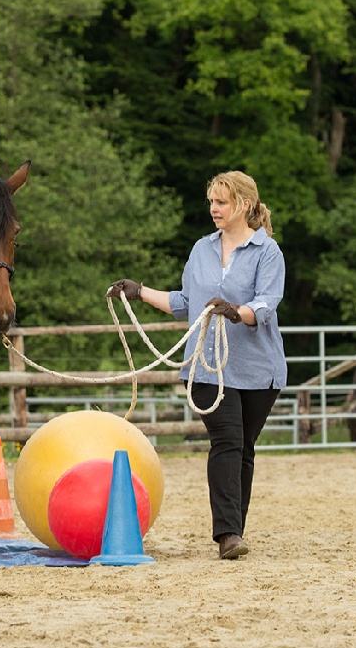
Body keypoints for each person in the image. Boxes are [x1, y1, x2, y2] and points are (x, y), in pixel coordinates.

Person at [107, 171, 287, 560]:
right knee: (227, 440)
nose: (213, 210)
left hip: (257, 368)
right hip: (208, 365)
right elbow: (186, 302)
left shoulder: (267, 251)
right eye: (211, 202)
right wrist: (138, 291)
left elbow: (266, 304)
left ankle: (234, 527)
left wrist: (237, 313)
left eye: (221, 202)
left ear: (244, 205)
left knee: (244, 447)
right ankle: (227, 534)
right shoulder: (201, 249)